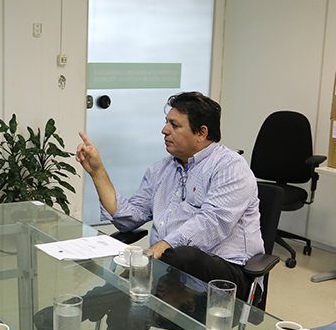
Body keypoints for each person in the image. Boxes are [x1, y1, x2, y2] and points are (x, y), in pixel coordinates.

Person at [76, 91, 264, 300]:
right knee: (130, 294)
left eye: (174, 125)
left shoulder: (230, 167)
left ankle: (91, 304)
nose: (164, 130)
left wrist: (160, 249)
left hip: (226, 276)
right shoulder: (160, 169)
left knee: (182, 253)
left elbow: (212, 223)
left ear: (201, 133)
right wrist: (97, 172)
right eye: (167, 123)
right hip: (169, 272)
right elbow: (129, 218)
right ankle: (94, 303)